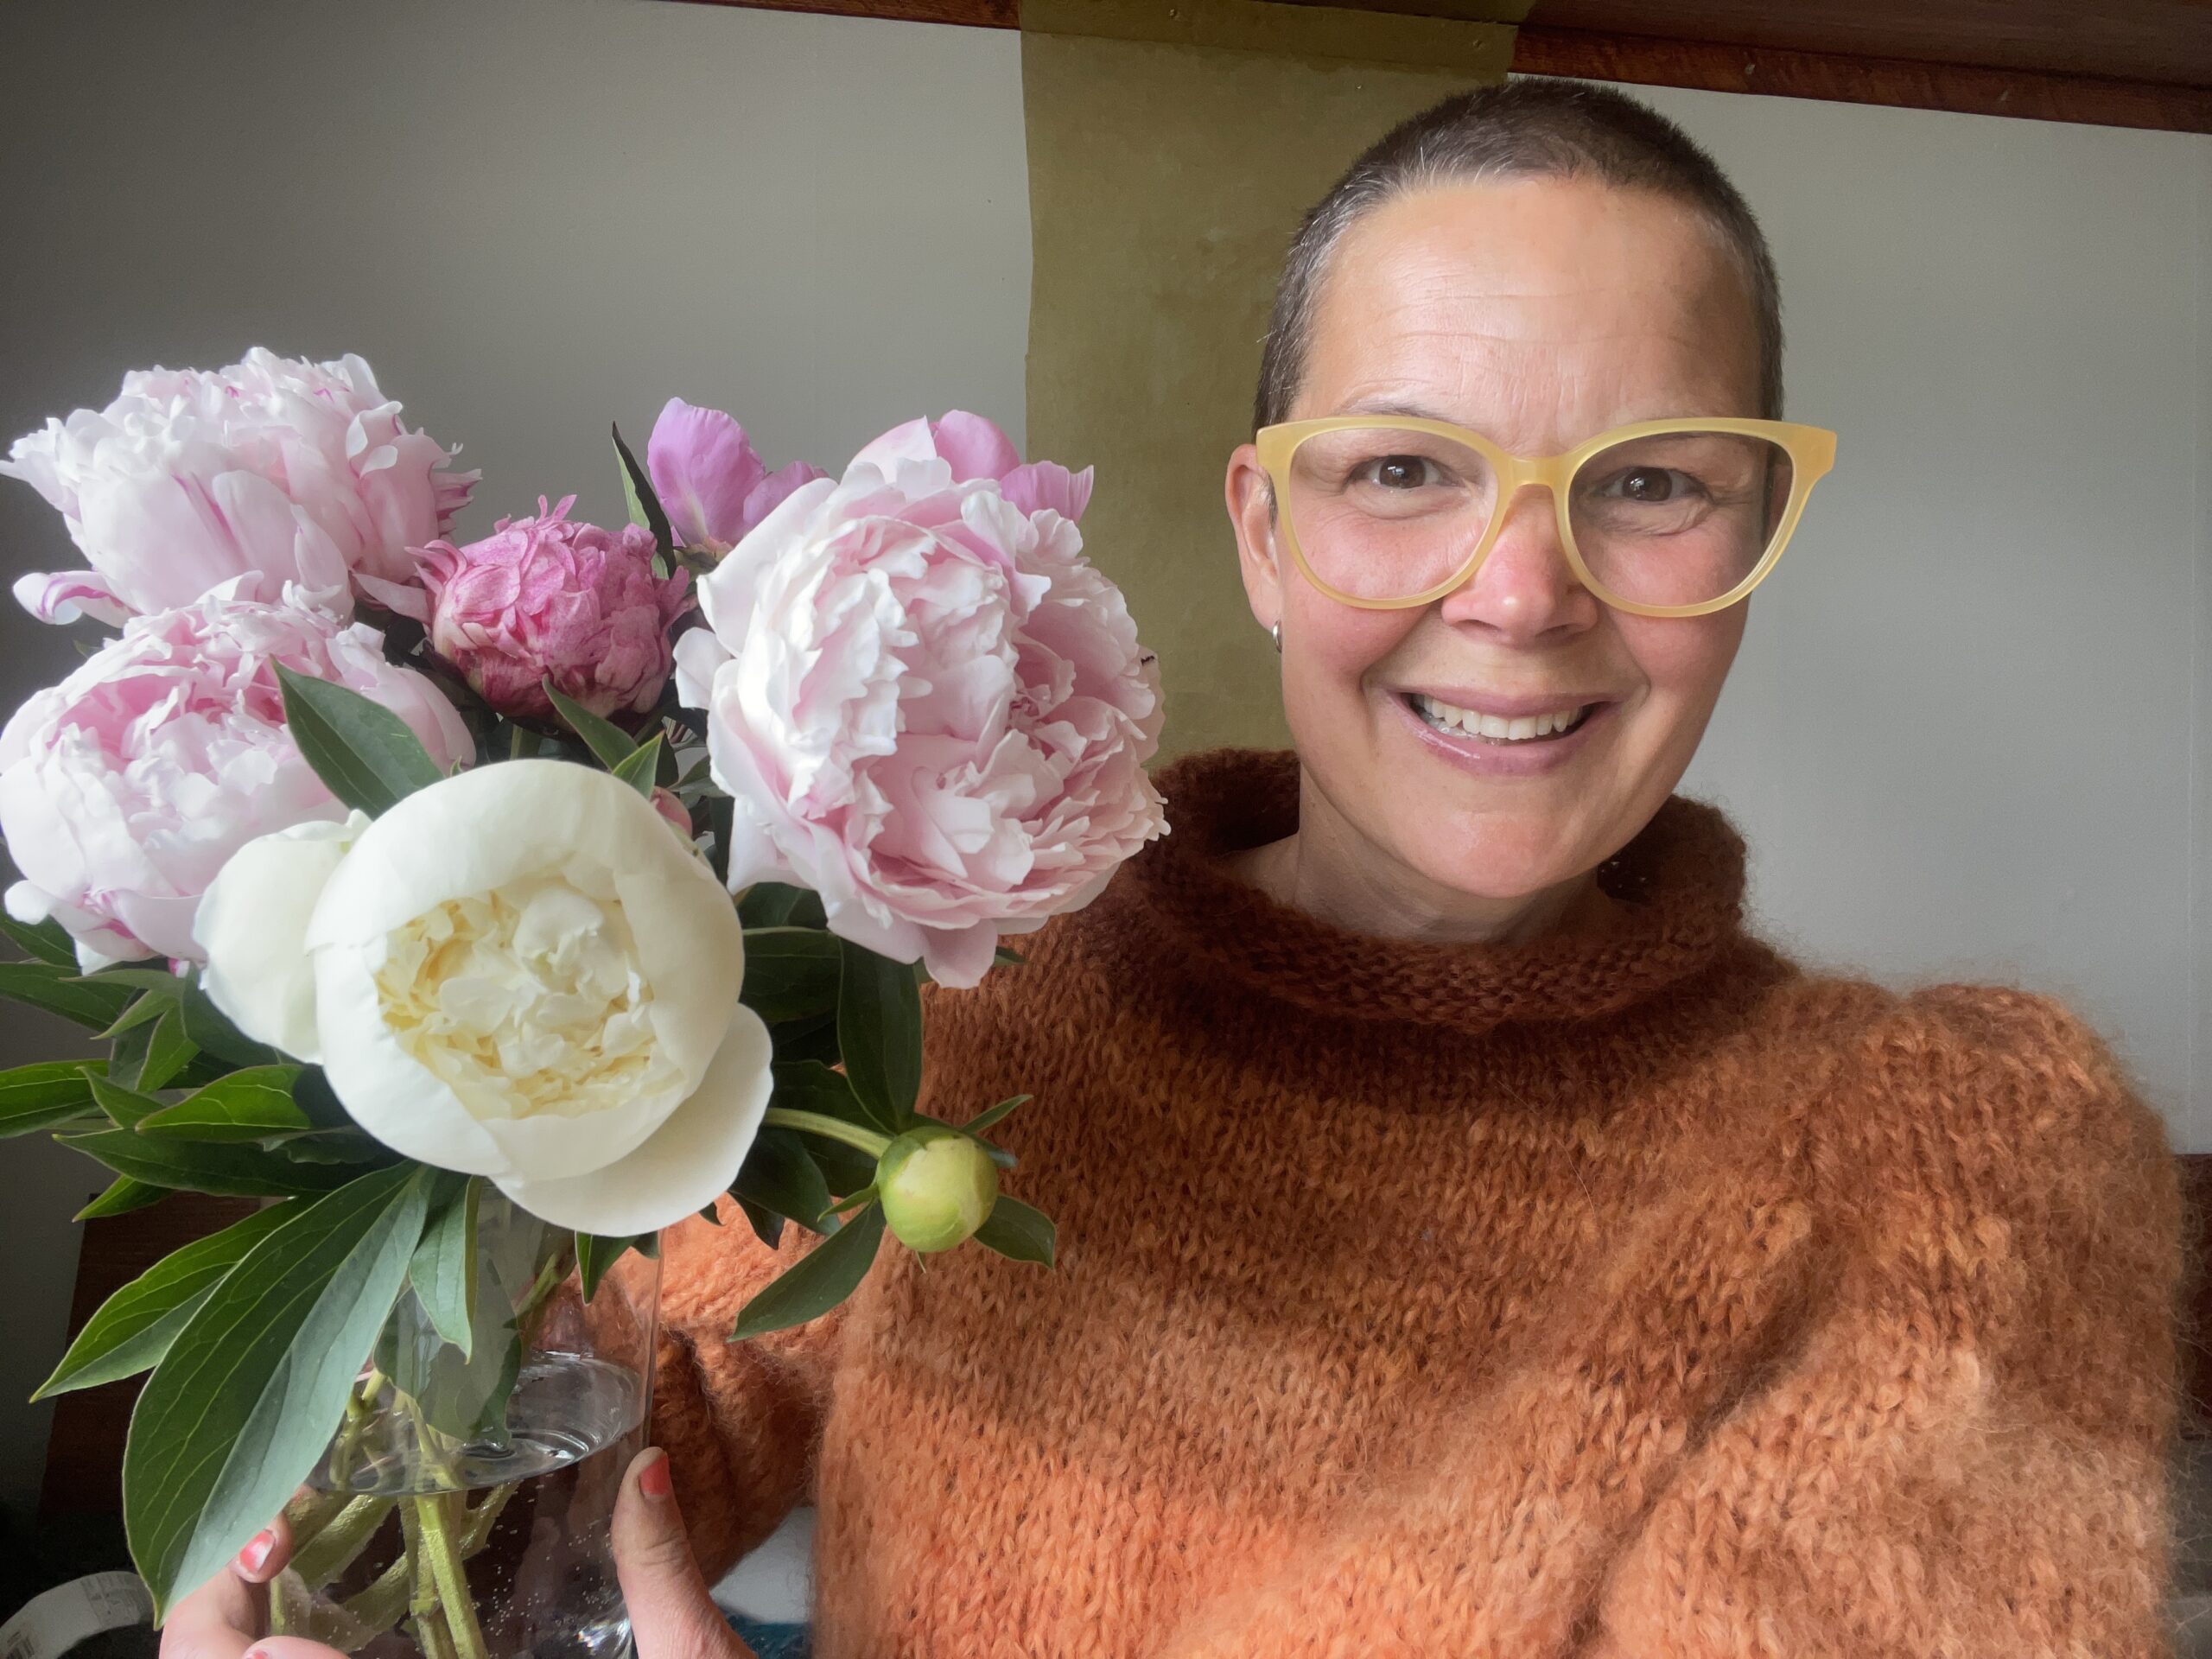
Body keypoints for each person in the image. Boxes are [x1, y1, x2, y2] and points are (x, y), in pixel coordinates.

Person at [167, 77, 2185, 1659]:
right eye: (1402, 469)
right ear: (1260, 533)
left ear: (1748, 541)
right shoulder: (949, 999)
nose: (1516, 594)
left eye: (1650, 484)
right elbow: (542, 1475)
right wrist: (307, 1571)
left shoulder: (1944, 1167)